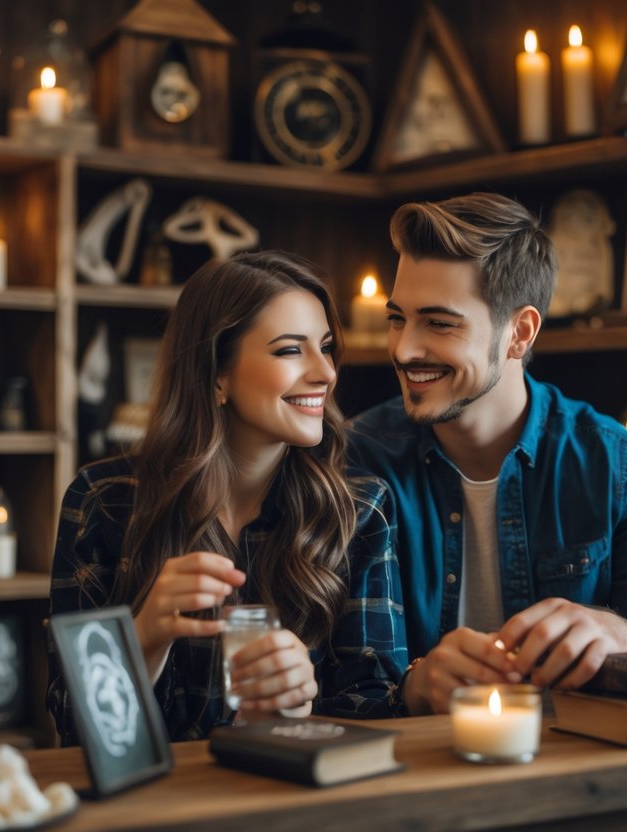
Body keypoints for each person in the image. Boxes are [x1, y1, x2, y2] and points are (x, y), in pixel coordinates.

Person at [346, 192, 627, 716]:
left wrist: (625, 638)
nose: (404, 349)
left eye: (439, 323)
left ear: (519, 333)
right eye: (397, 318)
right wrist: (412, 687)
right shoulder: (355, 458)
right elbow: (323, 682)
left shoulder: (612, 463)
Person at [48, 251, 405, 743]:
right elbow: (72, 725)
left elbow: (380, 708)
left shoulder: (360, 511)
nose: (326, 373)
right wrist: (144, 637)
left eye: (325, 348)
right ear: (216, 373)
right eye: (289, 351)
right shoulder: (102, 502)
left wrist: (301, 708)